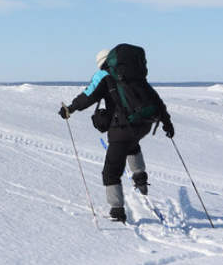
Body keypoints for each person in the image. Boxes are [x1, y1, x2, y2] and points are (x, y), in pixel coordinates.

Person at [59, 48, 175, 222]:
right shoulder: (136, 75)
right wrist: (167, 123)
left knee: (111, 171)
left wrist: (70, 109)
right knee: (132, 144)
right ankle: (141, 182)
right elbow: (155, 99)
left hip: (122, 128)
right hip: (144, 124)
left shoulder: (104, 75)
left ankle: (117, 211)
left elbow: (87, 96)